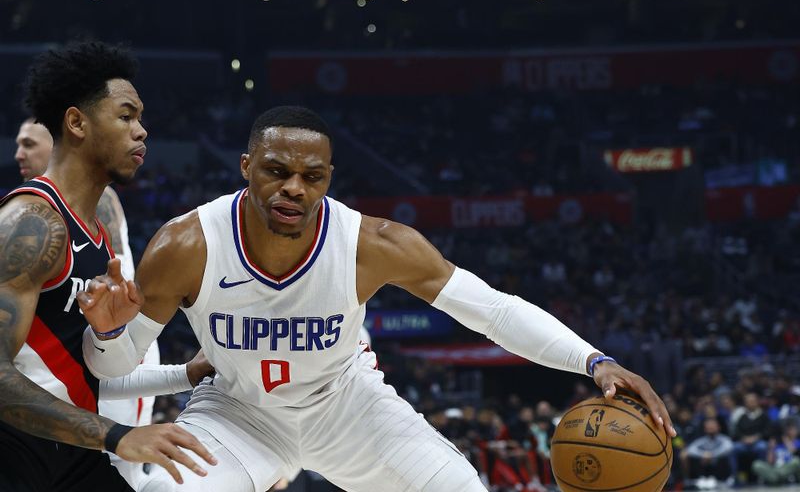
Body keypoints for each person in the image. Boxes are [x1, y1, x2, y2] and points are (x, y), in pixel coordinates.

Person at [80, 105, 676, 492]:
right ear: (246, 167)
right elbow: (109, 370)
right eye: (276, 170)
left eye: (311, 177)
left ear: (329, 179)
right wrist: (106, 334)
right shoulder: (187, 244)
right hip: (240, 414)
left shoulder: (373, 243)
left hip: (348, 408)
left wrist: (595, 361)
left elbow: (493, 310)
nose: (293, 187)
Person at [0, 40, 216, 492]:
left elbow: (70, 378)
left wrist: (179, 371)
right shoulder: (32, 223)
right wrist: (119, 437)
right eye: (126, 116)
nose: (142, 131)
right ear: (76, 121)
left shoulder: (96, 235)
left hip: (70, 452)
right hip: (15, 453)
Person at [14, 117, 185, 489]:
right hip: (84, 349)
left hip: (119, 341)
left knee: (122, 464)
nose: (19, 154)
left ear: (59, 141)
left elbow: (118, 282)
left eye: (29, 144)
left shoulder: (97, 200)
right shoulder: (37, 210)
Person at [682, 418, 736, 489]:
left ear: (718, 427)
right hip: (704, 465)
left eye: (712, 426)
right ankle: (696, 479)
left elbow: (729, 447)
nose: (711, 428)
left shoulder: (724, 439)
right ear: (705, 429)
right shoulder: (702, 440)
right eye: (708, 427)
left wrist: (712, 455)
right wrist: (703, 454)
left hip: (720, 467)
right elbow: (690, 449)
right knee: (686, 455)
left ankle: (727, 479)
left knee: (727, 456)